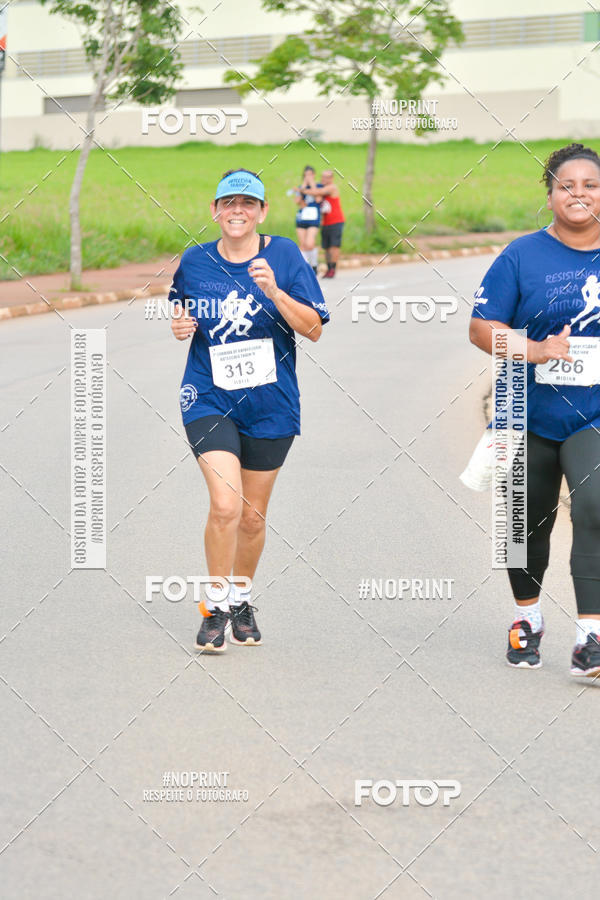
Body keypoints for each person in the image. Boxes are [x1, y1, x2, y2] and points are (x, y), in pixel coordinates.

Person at [169, 168, 330, 652]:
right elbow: (181, 308)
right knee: (225, 505)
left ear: (262, 211)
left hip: (270, 403)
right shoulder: (194, 261)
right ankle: (216, 605)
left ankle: (241, 596)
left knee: (252, 517)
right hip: (209, 396)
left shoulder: (283, 255)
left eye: (247, 204)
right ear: (214, 210)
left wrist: (276, 292)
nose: (236, 211)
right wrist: (179, 324)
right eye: (227, 203)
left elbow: (315, 329)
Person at [469, 142, 600, 678]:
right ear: (549, 195)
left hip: (592, 411)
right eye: (566, 185)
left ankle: (590, 636)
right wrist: (534, 349)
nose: (579, 194)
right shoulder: (520, 256)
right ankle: (527, 618)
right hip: (525, 407)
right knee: (525, 523)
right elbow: (481, 330)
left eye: (590, 184)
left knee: (594, 506)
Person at [303, 169, 345, 278]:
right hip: (325, 222)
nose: (323, 179)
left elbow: (317, 192)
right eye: (322, 177)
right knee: (326, 246)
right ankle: (328, 268)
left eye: (326, 177)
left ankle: (333, 268)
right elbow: (316, 196)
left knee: (334, 246)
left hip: (336, 220)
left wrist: (303, 189)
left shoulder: (332, 187)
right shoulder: (321, 187)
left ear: (331, 178)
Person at [292, 165, 322, 274]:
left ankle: (314, 265)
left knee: (310, 243)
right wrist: (303, 187)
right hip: (302, 218)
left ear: (314, 175)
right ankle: (305, 267)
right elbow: (298, 201)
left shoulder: (318, 186)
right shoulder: (301, 188)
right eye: (306, 175)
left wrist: (311, 184)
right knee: (303, 244)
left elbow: (318, 198)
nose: (308, 177)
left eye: (310, 175)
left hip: (313, 218)